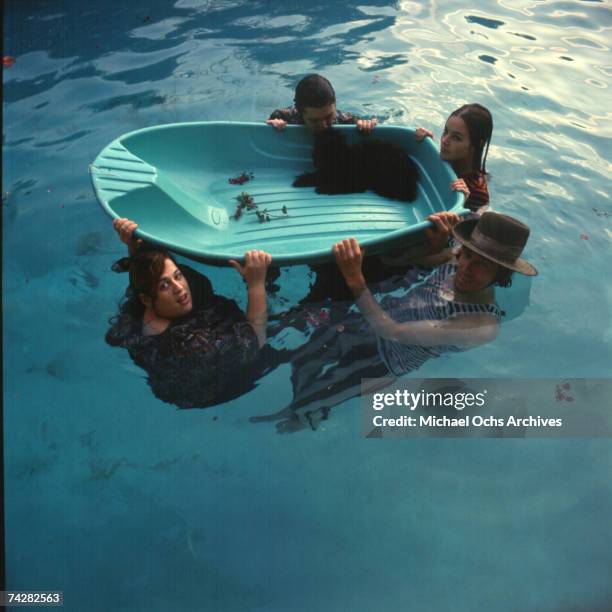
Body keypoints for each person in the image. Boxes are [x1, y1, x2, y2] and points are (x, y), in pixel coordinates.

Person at [254, 211, 537, 430]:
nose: (466, 267)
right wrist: (436, 243)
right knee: (305, 359)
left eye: (481, 265)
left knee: (313, 399)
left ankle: (303, 417)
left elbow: (390, 331)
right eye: (468, 255)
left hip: (384, 360)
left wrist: (354, 276)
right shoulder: (457, 257)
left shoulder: (480, 326)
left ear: (500, 275)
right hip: (368, 320)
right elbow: (406, 262)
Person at [106, 218, 282, 408]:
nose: (179, 288)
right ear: (147, 299)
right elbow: (257, 343)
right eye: (165, 285)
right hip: (223, 387)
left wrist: (134, 247)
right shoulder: (192, 347)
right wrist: (256, 284)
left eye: (178, 276)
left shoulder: (136, 315)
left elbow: (142, 283)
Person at [416, 103, 493, 214]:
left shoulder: (477, 193)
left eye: (456, 138)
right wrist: (425, 147)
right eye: (445, 131)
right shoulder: (450, 160)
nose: (444, 140)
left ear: (475, 145)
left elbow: (465, 229)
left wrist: (461, 203)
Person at [266, 73, 377, 134]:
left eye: (328, 117)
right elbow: (267, 128)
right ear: (300, 112)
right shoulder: (285, 116)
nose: (323, 126)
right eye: (314, 120)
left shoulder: (346, 119)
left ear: (335, 105)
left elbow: (369, 124)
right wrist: (274, 124)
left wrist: (366, 125)